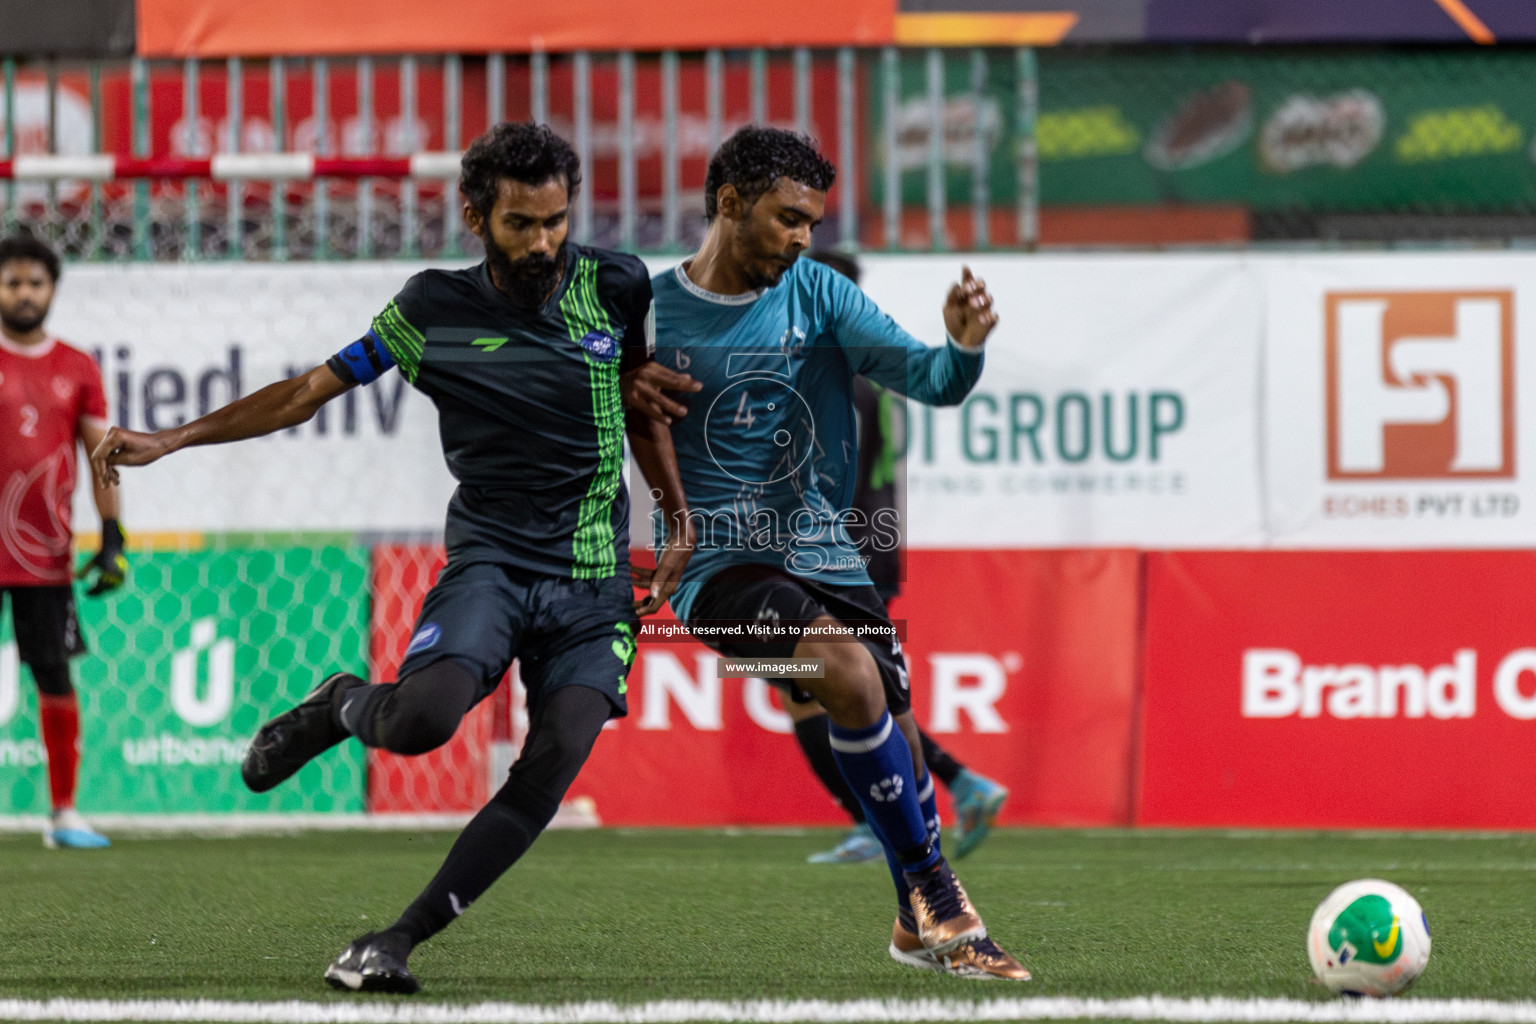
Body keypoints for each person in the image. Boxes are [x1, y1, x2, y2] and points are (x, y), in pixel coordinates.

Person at [92, 123, 693, 994]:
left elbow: (639, 403)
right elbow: (306, 392)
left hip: (596, 583)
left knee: (553, 761)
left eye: (556, 220)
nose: (543, 243)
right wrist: (175, 437)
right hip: (490, 562)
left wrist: (677, 517)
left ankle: (395, 940)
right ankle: (339, 704)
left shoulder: (616, 284)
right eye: (521, 224)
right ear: (474, 216)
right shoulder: (427, 313)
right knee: (421, 724)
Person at [632, 126, 1028, 981]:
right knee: (844, 673)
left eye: (812, 221)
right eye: (787, 219)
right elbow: (583, 408)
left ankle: (908, 926)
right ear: (730, 205)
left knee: (904, 744)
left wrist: (963, 347)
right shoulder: (648, 311)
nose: (803, 237)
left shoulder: (818, 294)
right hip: (716, 569)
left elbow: (931, 380)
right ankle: (941, 897)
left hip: (828, 556)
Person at [782, 251, 1010, 866]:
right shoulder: (871, 370)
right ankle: (951, 789)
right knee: (841, 688)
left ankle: (885, 819)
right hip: (872, 543)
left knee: (830, 692)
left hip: (836, 548)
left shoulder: (822, 372)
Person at [0, 232, 126, 851]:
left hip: (42, 555)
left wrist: (111, 534)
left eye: (35, 282)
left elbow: (102, 455)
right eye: (12, 282)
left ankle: (64, 812)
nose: (24, 293)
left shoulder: (77, 366)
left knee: (54, 677)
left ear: (52, 289)